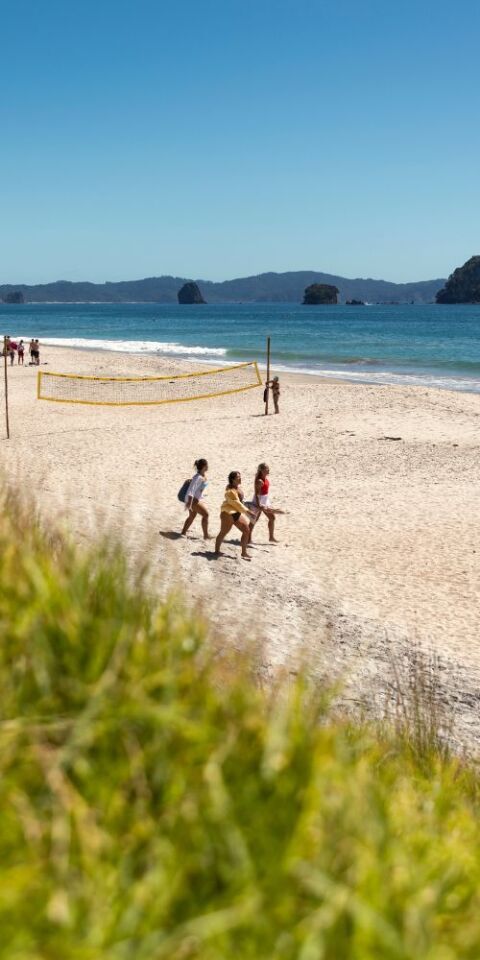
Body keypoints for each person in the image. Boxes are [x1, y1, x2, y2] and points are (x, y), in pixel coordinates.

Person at [215, 471, 256, 561]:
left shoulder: (237, 487)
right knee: (223, 532)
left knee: (246, 530)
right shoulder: (230, 491)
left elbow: (240, 502)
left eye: (240, 476)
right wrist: (248, 511)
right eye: (238, 477)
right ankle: (216, 551)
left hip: (236, 513)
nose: (240, 478)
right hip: (227, 514)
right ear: (233, 479)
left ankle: (244, 552)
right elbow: (237, 503)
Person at [248, 462, 280, 544]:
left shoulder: (265, 478)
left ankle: (271, 537)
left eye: (268, 468)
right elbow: (257, 494)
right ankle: (248, 538)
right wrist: (259, 505)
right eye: (266, 468)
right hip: (259, 501)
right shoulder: (259, 480)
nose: (268, 469)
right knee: (253, 520)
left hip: (265, 500)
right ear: (261, 470)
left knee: (272, 518)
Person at [181, 459, 210, 539]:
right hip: (192, 500)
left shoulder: (201, 476)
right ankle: (206, 536)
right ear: (204, 466)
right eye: (207, 465)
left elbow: (198, 489)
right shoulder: (198, 477)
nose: (208, 466)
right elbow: (191, 490)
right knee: (206, 515)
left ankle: (183, 532)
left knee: (192, 516)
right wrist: (189, 503)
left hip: (194, 499)